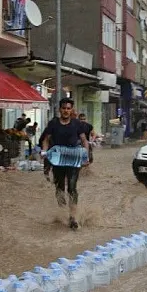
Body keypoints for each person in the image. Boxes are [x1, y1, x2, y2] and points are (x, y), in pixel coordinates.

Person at [41, 98, 90, 229]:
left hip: (73, 160)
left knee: (72, 187)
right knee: (59, 188)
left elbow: (84, 141)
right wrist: (44, 152)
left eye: (68, 108)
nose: (66, 111)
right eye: (64, 108)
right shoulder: (53, 124)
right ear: (60, 109)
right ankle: (63, 213)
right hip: (57, 160)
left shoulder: (77, 124)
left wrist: (85, 156)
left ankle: (73, 216)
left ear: (71, 110)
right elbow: (46, 140)